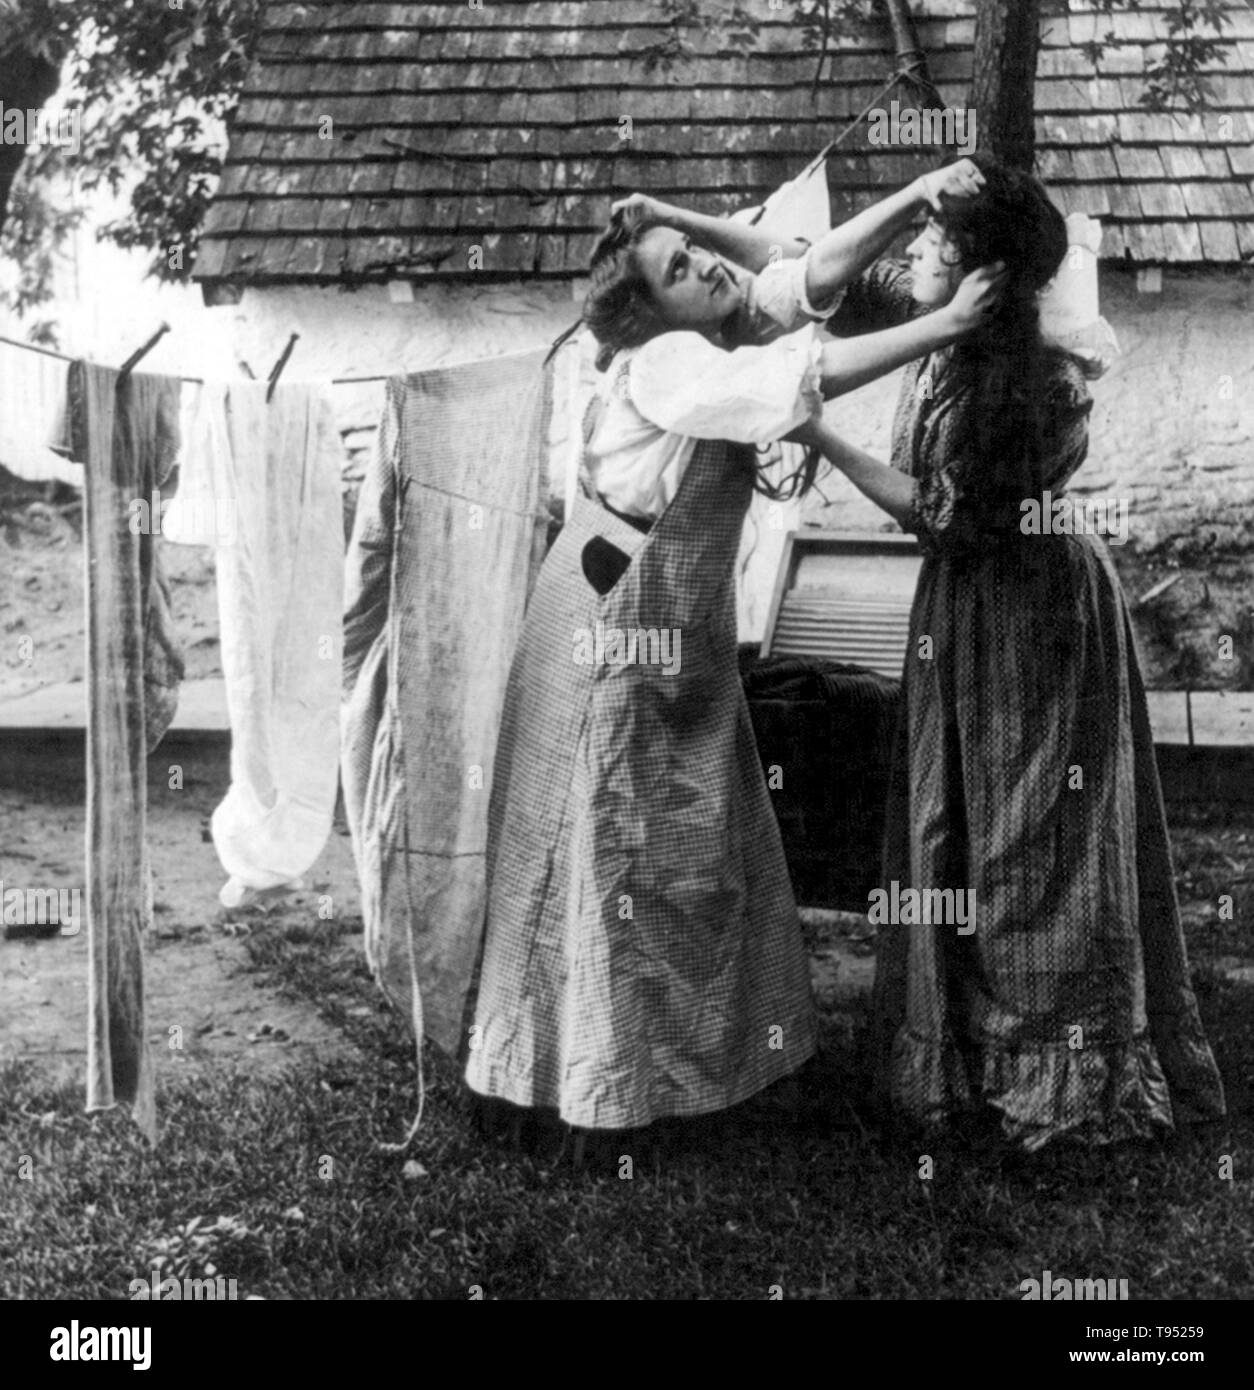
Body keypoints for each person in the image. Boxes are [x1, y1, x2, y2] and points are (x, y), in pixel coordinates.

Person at [464, 163, 1004, 1134]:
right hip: (611, 619)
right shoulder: (667, 365)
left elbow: (802, 281)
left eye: (699, 255)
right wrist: (945, 324)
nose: (708, 269)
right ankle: (597, 1084)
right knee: (620, 855)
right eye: (682, 268)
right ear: (648, 310)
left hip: (678, 626)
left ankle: (693, 1074)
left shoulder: (714, 321)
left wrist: (917, 193)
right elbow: (804, 375)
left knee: (697, 848)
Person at [789, 154, 1227, 1149]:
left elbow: (941, 516)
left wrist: (818, 437)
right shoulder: (949, 328)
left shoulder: (1035, 379)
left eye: (940, 238)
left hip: (1036, 616)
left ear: (985, 273)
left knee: (1035, 842)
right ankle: (976, 1058)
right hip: (973, 610)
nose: (920, 250)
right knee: (972, 825)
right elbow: (826, 282)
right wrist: (901, 205)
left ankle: (1061, 1077)